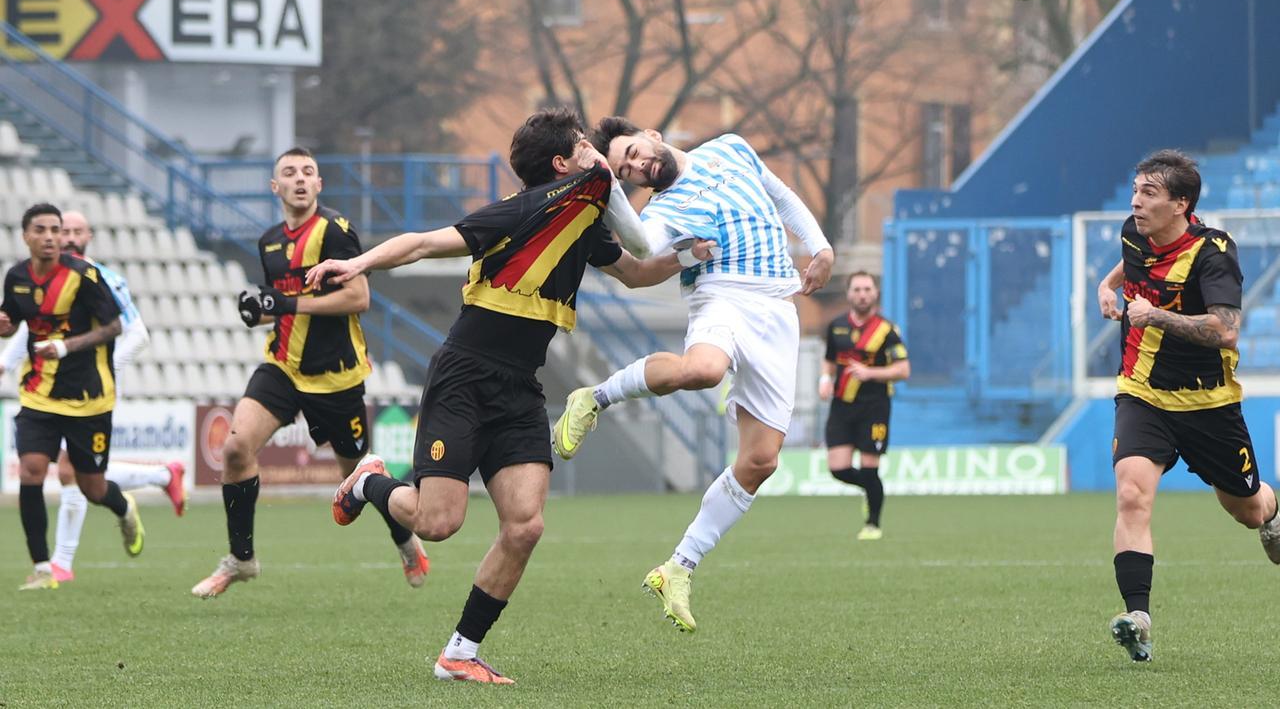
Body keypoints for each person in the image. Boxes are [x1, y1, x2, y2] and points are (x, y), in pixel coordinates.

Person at [308, 108, 709, 684]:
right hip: (465, 377)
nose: (594, 154)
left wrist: (696, 250)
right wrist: (357, 262)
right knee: (437, 524)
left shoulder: (586, 223)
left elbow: (638, 272)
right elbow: (422, 242)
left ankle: (460, 654)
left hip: (521, 386)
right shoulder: (521, 210)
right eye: (583, 147)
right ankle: (370, 479)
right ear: (561, 164)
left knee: (525, 526)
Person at [553, 117, 834, 633]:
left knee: (761, 460)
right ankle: (595, 397)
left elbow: (782, 193)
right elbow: (639, 245)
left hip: (778, 308)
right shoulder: (662, 209)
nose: (637, 166)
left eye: (633, 154)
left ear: (653, 135)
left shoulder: (731, 147)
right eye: (626, 171)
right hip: (721, 296)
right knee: (705, 370)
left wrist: (821, 247)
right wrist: (607, 185)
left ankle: (677, 568)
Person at [191, 147, 427, 598]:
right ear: (274, 187)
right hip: (281, 367)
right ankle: (241, 560)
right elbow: (280, 306)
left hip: (336, 378)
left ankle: (403, 539)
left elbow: (358, 299)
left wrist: (285, 303)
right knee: (237, 449)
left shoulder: (336, 232)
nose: (299, 179)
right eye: (289, 173)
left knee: (356, 477)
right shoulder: (269, 241)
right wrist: (258, 311)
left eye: (308, 172)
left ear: (319, 185)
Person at [1097, 149, 1280, 662]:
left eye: (1149, 193)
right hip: (1141, 391)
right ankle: (1138, 618)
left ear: (1181, 204)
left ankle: (1272, 509)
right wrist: (1106, 286)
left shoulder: (1214, 252)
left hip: (1208, 404)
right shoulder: (1133, 230)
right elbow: (1130, 261)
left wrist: (1154, 316)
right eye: (1135, 190)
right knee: (1132, 493)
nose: (1136, 201)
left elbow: (1224, 330)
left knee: (1244, 508)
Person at [0, 209, 185, 584]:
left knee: (91, 485)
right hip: (39, 394)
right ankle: (44, 568)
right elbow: (20, 323)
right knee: (33, 471)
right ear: (25, 236)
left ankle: (124, 505)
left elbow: (122, 326)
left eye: (63, 230)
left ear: (87, 235)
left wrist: (69, 350)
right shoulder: (17, 276)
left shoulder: (89, 276)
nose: (56, 237)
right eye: (46, 230)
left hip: (90, 398)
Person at [819, 270, 909, 541]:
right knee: (839, 469)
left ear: (875, 293)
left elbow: (903, 370)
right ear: (848, 294)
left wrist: (872, 374)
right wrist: (825, 379)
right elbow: (830, 360)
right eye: (857, 289)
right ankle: (872, 490)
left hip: (875, 406)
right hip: (842, 405)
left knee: (870, 467)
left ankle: (873, 523)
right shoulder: (836, 326)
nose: (862, 294)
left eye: (867, 289)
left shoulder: (887, 331)